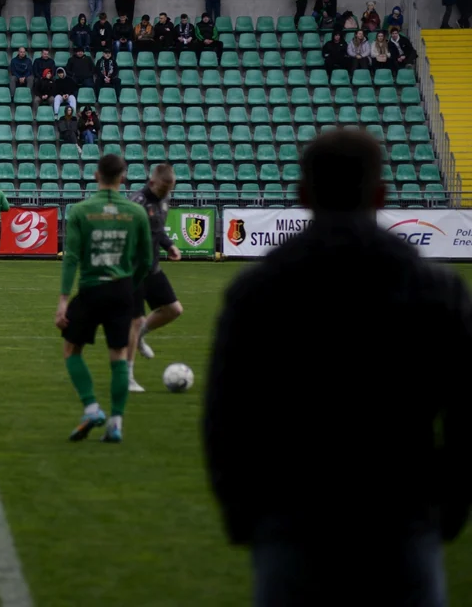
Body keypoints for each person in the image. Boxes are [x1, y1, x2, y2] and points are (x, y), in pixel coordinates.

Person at [202, 130, 472, 607]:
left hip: (292, 520)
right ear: (381, 196)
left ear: (303, 195)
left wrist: (243, 515)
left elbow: (226, 417)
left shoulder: (257, 292)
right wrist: (447, 512)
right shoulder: (439, 289)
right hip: (401, 520)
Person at [57, 154, 152, 444]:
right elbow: (146, 260)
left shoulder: (81, 211)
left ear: (96, 175)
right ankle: (116, 423)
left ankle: (91, 408)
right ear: (123, 178)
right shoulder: (136, 213)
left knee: (72, 349)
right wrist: (128, 286)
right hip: (122, 290)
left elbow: (71, 256)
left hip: (91, 288)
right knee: (119, 356)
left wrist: (63, 300)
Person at [125, 164, 183, 392]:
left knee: (173, 310)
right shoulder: (136, 202)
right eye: (162, 189)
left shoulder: (164, 200)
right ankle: (127, 377)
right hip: (132, 270)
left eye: (169, 190)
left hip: (153, 268)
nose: (165, 194)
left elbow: (157, 230)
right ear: (152, 183)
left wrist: (169, 245)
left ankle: (140, 337)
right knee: (134, 321)